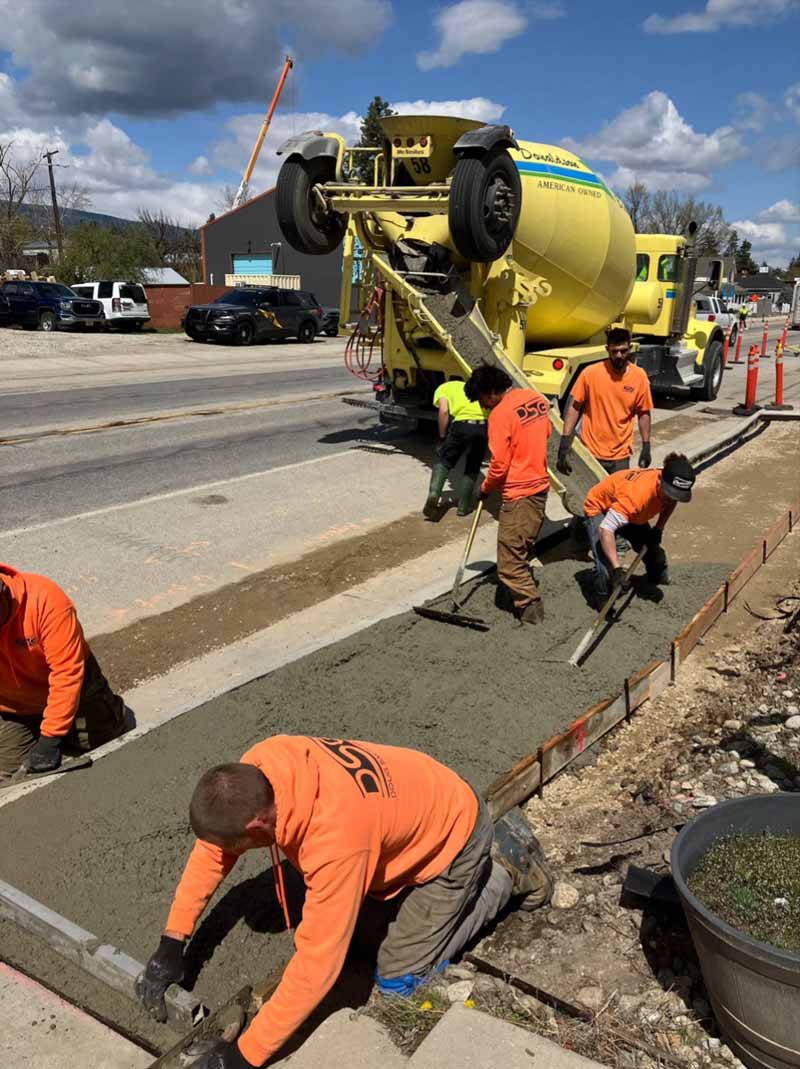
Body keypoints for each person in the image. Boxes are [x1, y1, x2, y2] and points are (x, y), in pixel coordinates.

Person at [136, 735, 553, 1069]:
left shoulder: (334, 840)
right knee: (357, 938)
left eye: (238, 843)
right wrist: (173, 940)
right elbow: (215, 849)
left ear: (258, 823)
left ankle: (506, 866)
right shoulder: (262, 767)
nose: (229, 853)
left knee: (396, 980)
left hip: (454, 839)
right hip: (411, 809)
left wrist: (245, 1055)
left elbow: (318, 967)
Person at [0, 564, 127, 780]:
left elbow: (66, 673)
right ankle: (46, 724)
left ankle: (109, 711)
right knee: (9, 770)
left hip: (75, 691)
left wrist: (50, 739)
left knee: (94, 742)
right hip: (15, 706)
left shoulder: (45, 599)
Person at [464, 364, 550, 625]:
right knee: (521, 547)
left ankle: (531, 613)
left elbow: (499, 464)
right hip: (539, 487)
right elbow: (544, 434)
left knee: (509, 564)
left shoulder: (500, 415)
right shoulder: (535, 399)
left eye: (482, 400)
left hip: (520, 493)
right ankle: (515, 596)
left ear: (490, 392)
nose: (484, 406)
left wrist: (485, 488)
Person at [583, 453, 696, 607]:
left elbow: (671, 502)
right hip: (601, 507)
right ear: (659, 480)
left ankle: (656, 581)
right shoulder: (636, 497)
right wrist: (617, 569)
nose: (670, 498)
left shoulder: (668, 486)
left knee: (652, 550)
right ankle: (602, 600)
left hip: (633, 513)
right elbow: (606, 529)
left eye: (675, 495)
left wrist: (658, 528)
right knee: (605, 565)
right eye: (668, 494)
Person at [557, 327, 653, 477]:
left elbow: (644, 413)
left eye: (623, 350)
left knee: (618, 498)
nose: (619, 355)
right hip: (590, 453)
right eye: (614, 351)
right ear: (607, 349)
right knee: (590, 499)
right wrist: (565, 441)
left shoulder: (639, 377)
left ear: (630, 348)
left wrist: (646, 445)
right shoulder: (590, 373)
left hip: (620, 456)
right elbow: (575, 407)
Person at [423, 378, 488, 519]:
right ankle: (463, 507)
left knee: (445, 461)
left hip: (461, 426)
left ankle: (434, 493)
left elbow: (444, 411)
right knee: (473, 466)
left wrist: (441, 436)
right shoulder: (474, 388)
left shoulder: (444, 387)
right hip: (483, 427)